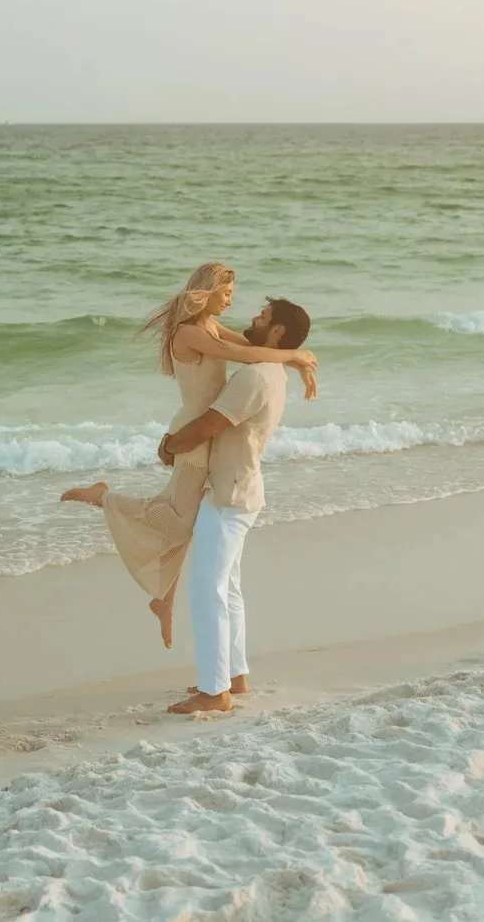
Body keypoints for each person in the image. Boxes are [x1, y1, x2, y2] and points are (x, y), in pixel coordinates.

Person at [60, 264, 316, 648]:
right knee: (179, 524)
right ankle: (103, 497)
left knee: (186, 517)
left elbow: (249, 349)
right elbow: (238, 354)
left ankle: (164, 600)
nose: (231, 301)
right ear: (206, 292)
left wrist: (297, 360)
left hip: (207, 431)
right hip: (194, 432)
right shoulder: (190, 332)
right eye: (226, 293)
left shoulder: (209, 327)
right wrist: (295, 356)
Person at [158, 296, 311, 716]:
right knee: (229, 589)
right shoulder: (268, 369)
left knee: (207, 591)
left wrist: (169, 445)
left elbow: (209, 424)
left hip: (229, 494)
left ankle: (214, 692)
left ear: (277, 331)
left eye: (262, 318)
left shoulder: (257, 377)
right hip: (241, 490)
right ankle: (235, 676)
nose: (253, 319)